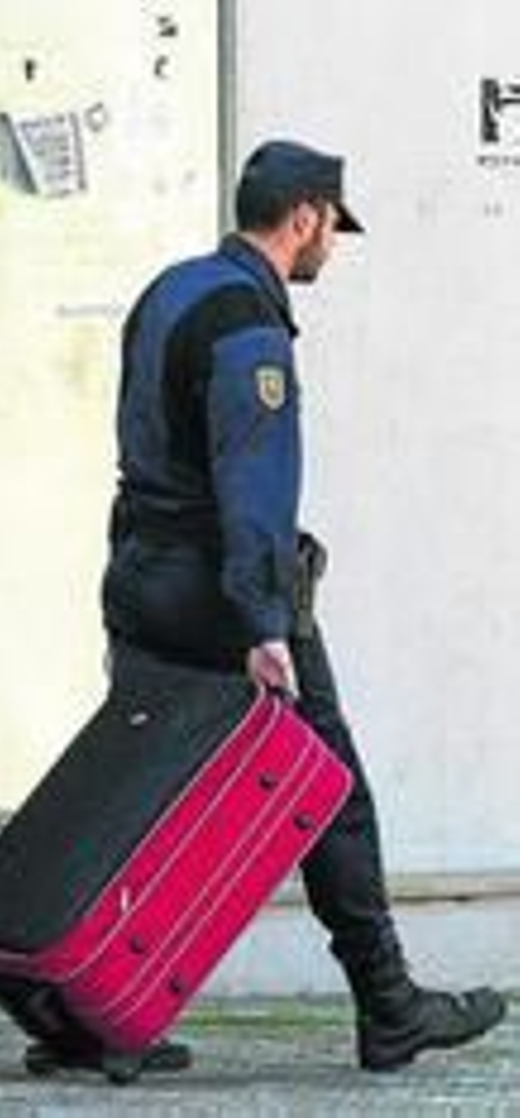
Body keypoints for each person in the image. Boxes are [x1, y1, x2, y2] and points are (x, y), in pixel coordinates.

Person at [101, 139, 508, 1072]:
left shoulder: (169, 289)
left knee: (139, 796)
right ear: (305, 218)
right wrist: (264, 623)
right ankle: (388, 1001)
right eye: (334, 226)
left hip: (137, 570)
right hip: (217, 587)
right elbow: (255, 483)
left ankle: (93, 1007)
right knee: (330, 789)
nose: (334, 245)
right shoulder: (249, 325)